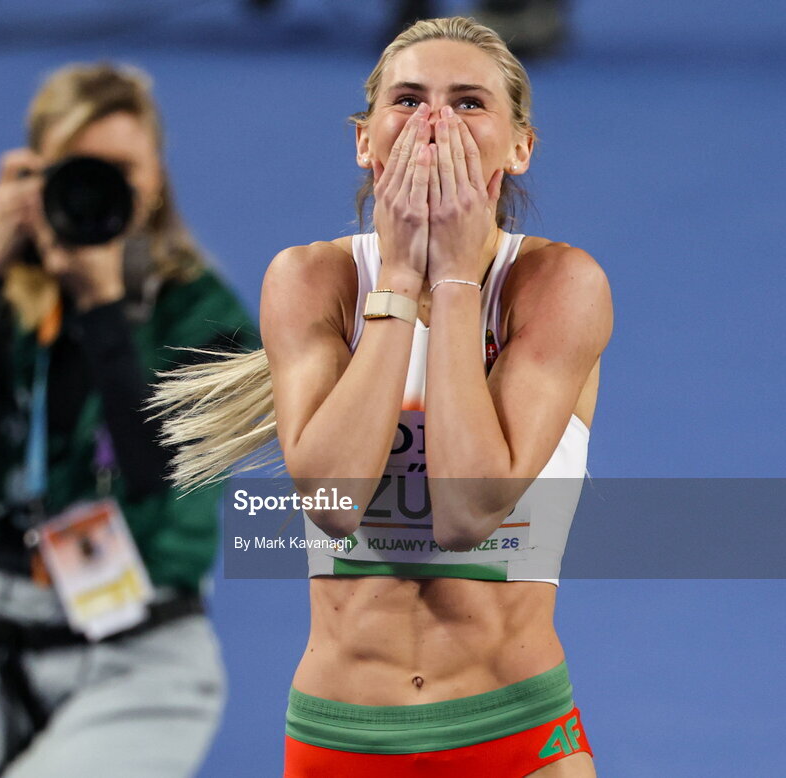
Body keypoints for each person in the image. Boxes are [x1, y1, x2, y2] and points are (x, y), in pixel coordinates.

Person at [151, 17, 612, 777]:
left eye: (468, 103)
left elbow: (467, 513)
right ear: (365, 140)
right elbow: (333, 499)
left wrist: (457, 278)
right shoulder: (309, 281)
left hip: (516, 733)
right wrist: (399, 280)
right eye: (409, 99)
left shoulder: (559, 286)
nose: (434, 123)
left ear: (519, 147)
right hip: (341, 740)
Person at [0, 62, 257, 778]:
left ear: (157, 178)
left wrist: (104, 309)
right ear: (35, 177)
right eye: (77, 168)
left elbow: (156, 470)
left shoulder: (209, 315)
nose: (104, 185)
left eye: (123, 166)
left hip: (142, 656)